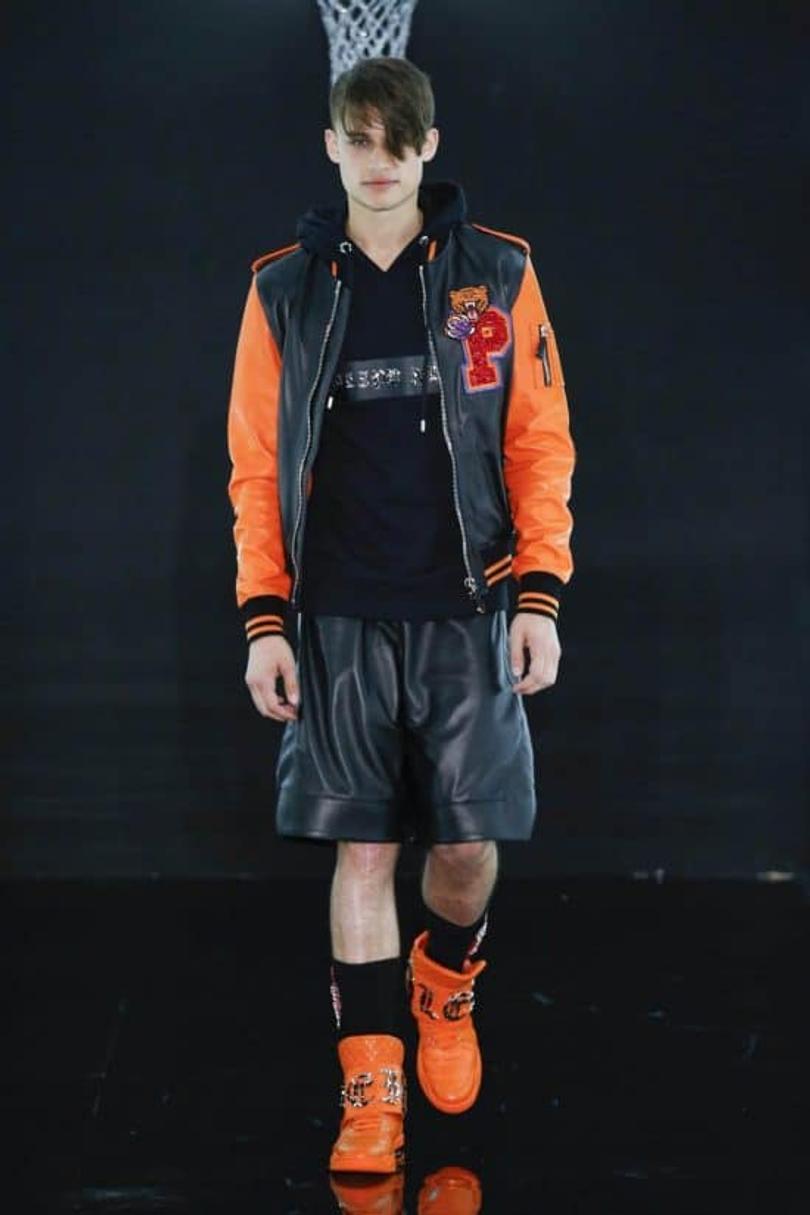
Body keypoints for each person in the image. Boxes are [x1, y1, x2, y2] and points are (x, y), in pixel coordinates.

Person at [226, 56, 575, 1175]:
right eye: (357, 141)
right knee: (364, 848)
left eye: (397, 142)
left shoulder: (497, 272)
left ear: (428, 146)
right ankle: (370, 1089)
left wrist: (538, 594)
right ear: (332, 146)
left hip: (465, 606)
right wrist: (265, 618)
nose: (377, 164)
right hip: (336, 616)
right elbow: (254, 466)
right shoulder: (284, 288)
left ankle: (445, 979)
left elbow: (539, 442)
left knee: (465, 847)